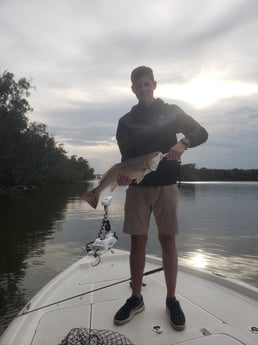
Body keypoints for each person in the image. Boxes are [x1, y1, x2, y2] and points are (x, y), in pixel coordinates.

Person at [113, 66, 208, 330]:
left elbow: (201, 133)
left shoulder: (172, 111)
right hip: (138, 188)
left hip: (166, 185)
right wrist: (123, 177)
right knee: (137, 242)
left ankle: (171, 299)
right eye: (138, 85)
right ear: (132, 89)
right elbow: (126, 160)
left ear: (154, 84)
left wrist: (183, 143)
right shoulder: (125, 122)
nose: (143, 89)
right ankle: (135, 298)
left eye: (147, 84)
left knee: (168, 241)